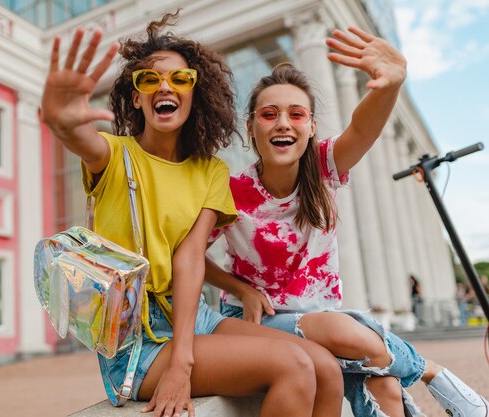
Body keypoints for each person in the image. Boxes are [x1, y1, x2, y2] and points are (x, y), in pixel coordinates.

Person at [40, 12, 344, 417]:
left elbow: (189, 259)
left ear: (194, 93)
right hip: (136, 339)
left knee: (326, 366)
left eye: (179, 79)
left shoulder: (210, 171)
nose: (164, 86)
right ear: (136, 97)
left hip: (193, 316)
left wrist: (236, 294)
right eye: (149, 79)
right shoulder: (114, 155)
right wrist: (58, 115)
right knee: (295, 366)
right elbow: (73, 133)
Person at [206, 27, 489, 417]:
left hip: (326, 317)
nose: (283, 123)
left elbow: (362, 128)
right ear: (252, 127)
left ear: (310, 127)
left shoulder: (323, 167)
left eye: (296, 114)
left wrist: (389, 87)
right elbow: (189, 258)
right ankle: (433, 373)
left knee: (385, 384)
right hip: (258, 321)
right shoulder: (231, 191)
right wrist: (241, 288)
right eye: (268, 115)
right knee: (344, 331)